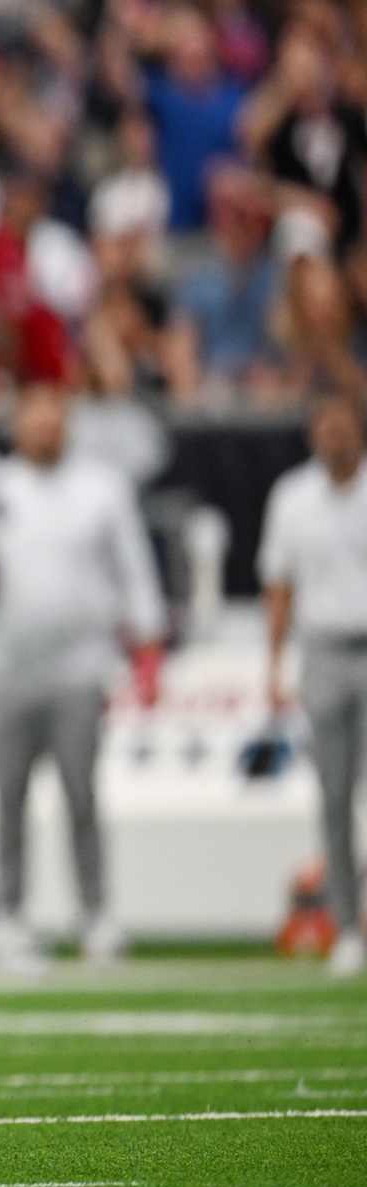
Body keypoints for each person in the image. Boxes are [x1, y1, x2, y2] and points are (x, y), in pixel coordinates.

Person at [0, 384, 166, 969]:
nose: (43, 430)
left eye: (51, 418)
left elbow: (134, 568)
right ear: (17, 428)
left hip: (80, 666)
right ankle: (8, 912)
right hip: (6, 667)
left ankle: (95, 912)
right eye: (32, 419)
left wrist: (147, 647)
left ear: (66, 425)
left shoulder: (101, 488)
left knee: (81, 794)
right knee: (7, 799)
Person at [259, 395, 367, 978]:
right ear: (312, 434)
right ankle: (347, 926)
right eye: (326, 428)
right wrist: (274, 665)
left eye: (343, 427)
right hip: (323, 650)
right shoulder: (292, 497)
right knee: (334, 795)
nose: (335, 437)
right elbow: (279, 585)